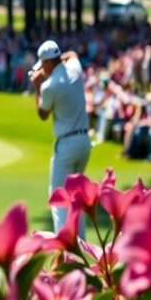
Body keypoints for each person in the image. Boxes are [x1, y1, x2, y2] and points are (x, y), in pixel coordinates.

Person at [31, 40, 92, 232]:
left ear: (48, 63)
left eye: (43, 65)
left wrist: (36, 86)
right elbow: (72, 54)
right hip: (84, 142)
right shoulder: (74, 68)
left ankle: (66, 246)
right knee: (76, 196)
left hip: (66, 146)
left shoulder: (49, 86)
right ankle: (80, 244)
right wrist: (56, 62)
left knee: (58, 197)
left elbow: (42, 114)